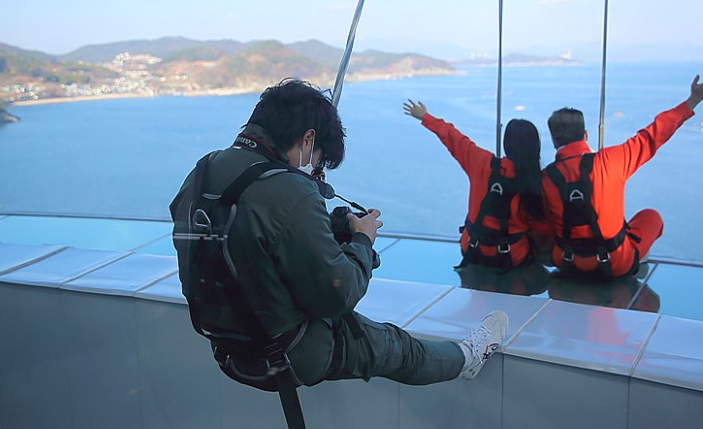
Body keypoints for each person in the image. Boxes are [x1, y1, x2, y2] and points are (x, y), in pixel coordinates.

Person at [170, 78, 507, 391]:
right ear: (307, 139)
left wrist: (327, 228)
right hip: (285, 353)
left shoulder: (202, 171)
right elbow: (338, 295)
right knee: (395, 346)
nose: (314, 170)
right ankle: (469, 356)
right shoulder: (291, 189)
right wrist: (362, 241)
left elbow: (249, 238)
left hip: (229, 347)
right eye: (318, 161)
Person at [542, 69, 703, 278]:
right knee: (651, 217)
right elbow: (655, 134)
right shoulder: (611, 161)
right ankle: (637, 267)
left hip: (567, 263)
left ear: (554, 140)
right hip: (616, 263)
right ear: (585, 135)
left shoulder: (547, 177)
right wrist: (694, 99)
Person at [403, 100, 550, 272]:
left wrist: (425, 116)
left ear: (506, 143)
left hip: (473, 248)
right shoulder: (538, 180)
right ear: (535, 146)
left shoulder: (482, 163)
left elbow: (454, 138)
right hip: (512, 256)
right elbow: (542, 229)